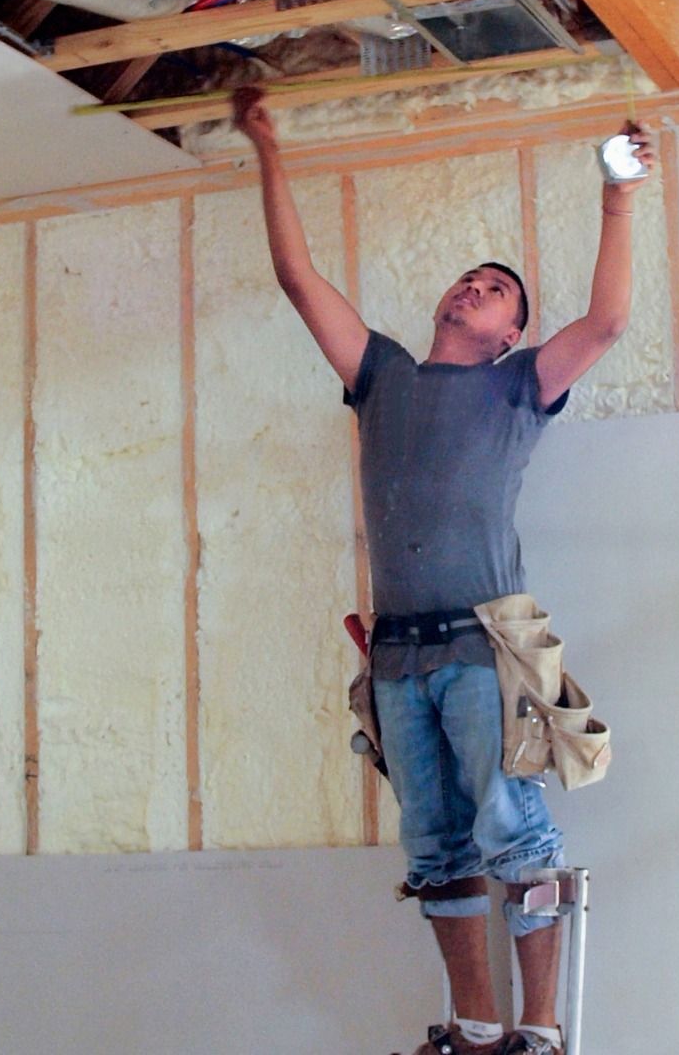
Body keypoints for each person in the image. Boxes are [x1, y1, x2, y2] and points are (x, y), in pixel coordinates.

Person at [232, 85, 655, 1055]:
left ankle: (538, 1035)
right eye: (468, 278)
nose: (474, 287)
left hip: (478, 647)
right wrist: (267, 148)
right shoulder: (380, 373)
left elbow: (607, 321)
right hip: (393, 660)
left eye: (495, 289)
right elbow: (300, 280)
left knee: (516, 834)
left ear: (509, 334)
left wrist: (615, 195)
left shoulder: (517, 386)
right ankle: (474, 1028)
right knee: (435, 850)